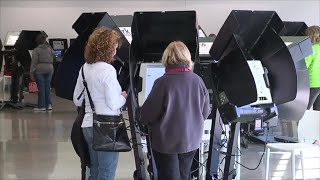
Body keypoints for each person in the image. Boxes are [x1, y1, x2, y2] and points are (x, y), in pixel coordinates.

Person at [140, 41, 211, 180]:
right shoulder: (198, 81)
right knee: (185, 175)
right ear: (187, 58)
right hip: (191, 141)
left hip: (166, 143)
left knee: (169, 176)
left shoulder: (162, 82)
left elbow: (148, 114)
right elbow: (206, 111)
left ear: (167, 58)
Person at [73, 27, 127, 180]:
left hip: (88, 126)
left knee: (94, 170)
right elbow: (113, 103)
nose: (115, 53)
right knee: (107, 172)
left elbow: (77, 99)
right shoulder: (108, 70)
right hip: (107, 128)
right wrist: (123, 96)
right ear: (108, 48)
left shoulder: (84, 68)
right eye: (114, 48)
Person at [30, 34, 54, 111]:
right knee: (47, 87)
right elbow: (54, 58)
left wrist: (31, 73)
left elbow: (34, 62)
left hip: (40, 69)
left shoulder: (36, 50)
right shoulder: (49, 49)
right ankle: (49, 105)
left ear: (37, 41)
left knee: (41, 88)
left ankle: (42, 106)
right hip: (50, 68)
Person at [305, 26, 320, 145]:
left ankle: (300, 137)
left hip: (313, 83)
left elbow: (304, 65)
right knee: (318, 112)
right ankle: (318, 139)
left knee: (304, 109)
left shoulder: (311, 49)